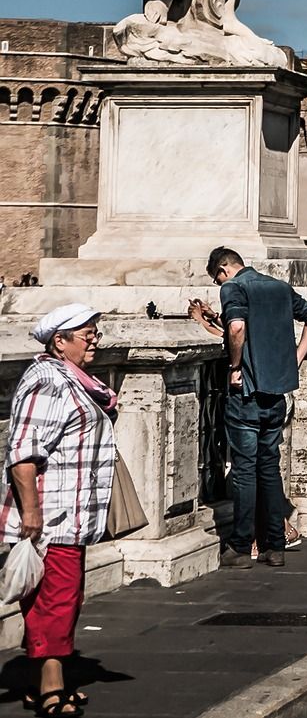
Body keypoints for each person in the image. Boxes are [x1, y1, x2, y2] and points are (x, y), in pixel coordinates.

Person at [4, 306, 117, 716]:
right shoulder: (48, 382)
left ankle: (45, 681)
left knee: (57, 597)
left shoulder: (72, 379)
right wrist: (30, 513)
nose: (95, 339)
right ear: (60, 341)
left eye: (95, 332)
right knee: (57, 598)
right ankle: (52, 688)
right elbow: (23, 453)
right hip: (53, 514)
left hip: (73, 512)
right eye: (87, 333)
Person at [207, 246, 307, 567]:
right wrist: (294, 359)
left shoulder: (234, 287)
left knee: (244, 470)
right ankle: (274, 547)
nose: (220, 285)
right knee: (269, 468)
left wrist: (234, 366)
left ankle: (242, 546)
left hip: (247, 394)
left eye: (217, 280)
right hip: (276, 393)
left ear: (223, 270)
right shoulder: (278, 287)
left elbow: (237, 327)